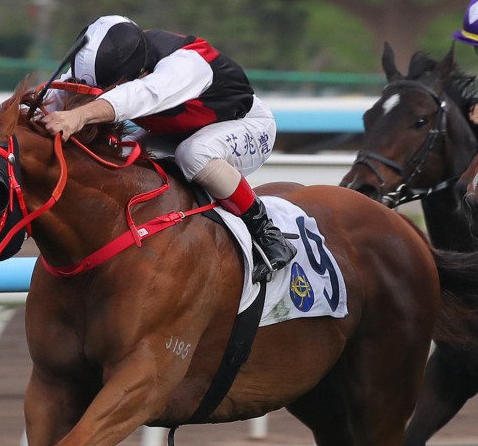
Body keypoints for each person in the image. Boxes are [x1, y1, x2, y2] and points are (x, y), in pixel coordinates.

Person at [42, 15, 296, 283]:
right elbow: (55, 97)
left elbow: (138, 95)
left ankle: (267, 235)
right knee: (121, 155)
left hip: (245, 124)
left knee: (194, 154)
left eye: (108, 89)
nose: (102, 93)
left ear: (138, 72)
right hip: (178, 131)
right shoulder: (112, 63)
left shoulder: (185, 64)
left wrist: (80, 115)